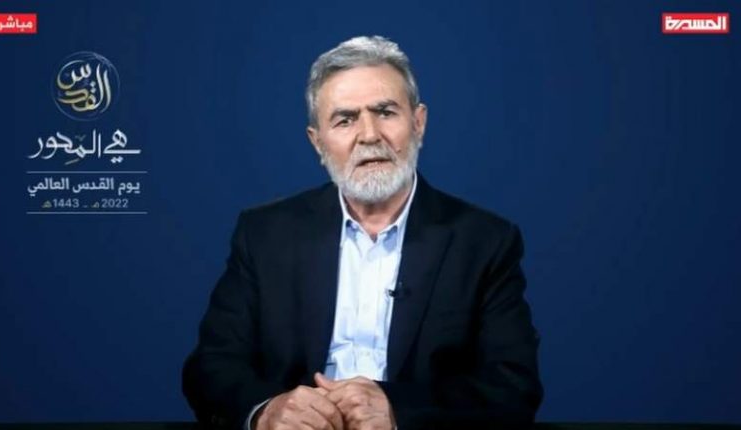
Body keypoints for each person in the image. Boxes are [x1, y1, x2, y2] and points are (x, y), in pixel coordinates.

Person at [183, 35, 543, 430]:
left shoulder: (485, 241)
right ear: (318, 142)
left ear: (418, 123)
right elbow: (211, 367)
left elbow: (512, 387)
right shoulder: (264, 234)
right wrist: (265, 410)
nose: (369, 135)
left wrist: (397, 411)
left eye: (385, 112)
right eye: (345, 119)